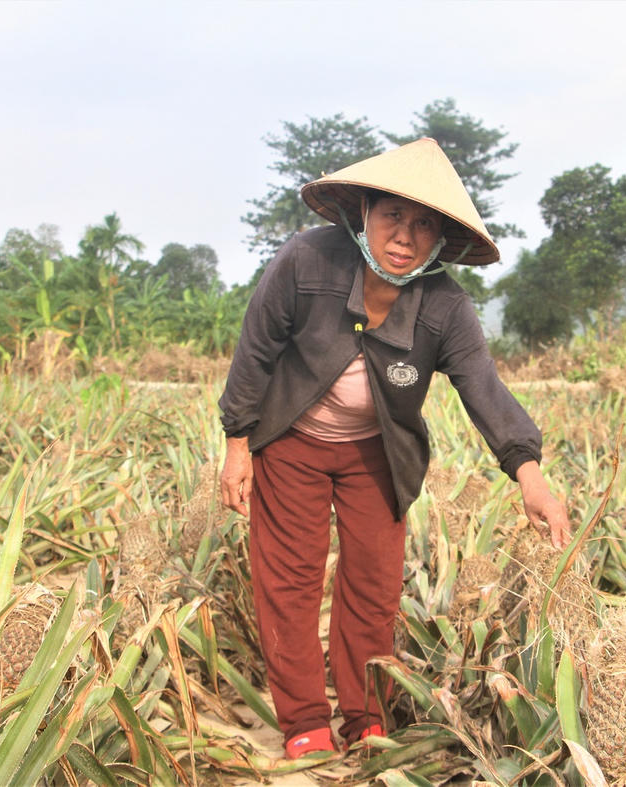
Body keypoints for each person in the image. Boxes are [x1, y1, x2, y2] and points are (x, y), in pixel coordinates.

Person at [218, 138, 570, 759]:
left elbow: (484, 390)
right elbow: (255, 351)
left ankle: (364, 716)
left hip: (377, 456)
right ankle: (303, 721)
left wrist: (530, 476)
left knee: (374, 588)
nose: (405, 237)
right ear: (363, 216)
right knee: (290, 581)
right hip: (292, 443)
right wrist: (238, 445)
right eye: (393, 218)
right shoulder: (306, 262)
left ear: (438, 243)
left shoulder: (445, 307)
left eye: (423, 226)